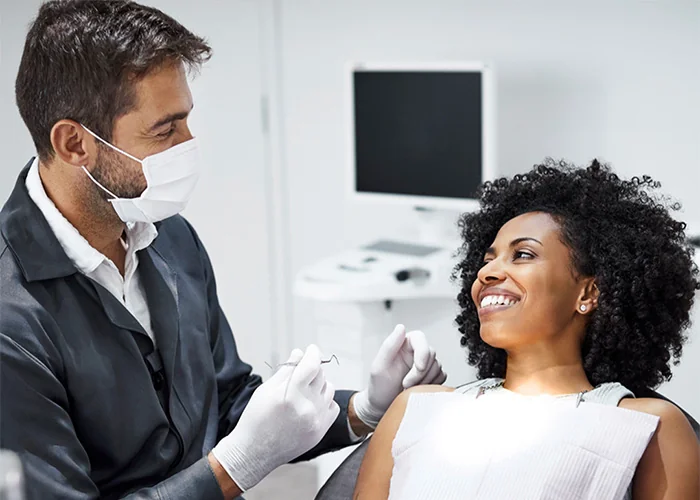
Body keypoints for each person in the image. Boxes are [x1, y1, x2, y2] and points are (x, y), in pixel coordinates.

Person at [0, 2, 447, 499]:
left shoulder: (170, 239)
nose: (188, 144)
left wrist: (362, 409)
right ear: (73, 143)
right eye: (165, 129)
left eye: (186, 121)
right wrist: (237, 464)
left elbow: (230, 402)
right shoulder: (11, 317)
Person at [353, 160, 700, 500]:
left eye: (522, 255)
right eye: (488, 260)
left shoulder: (648, 426)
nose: (488, 273)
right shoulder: (416, 407)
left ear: (588, 293)